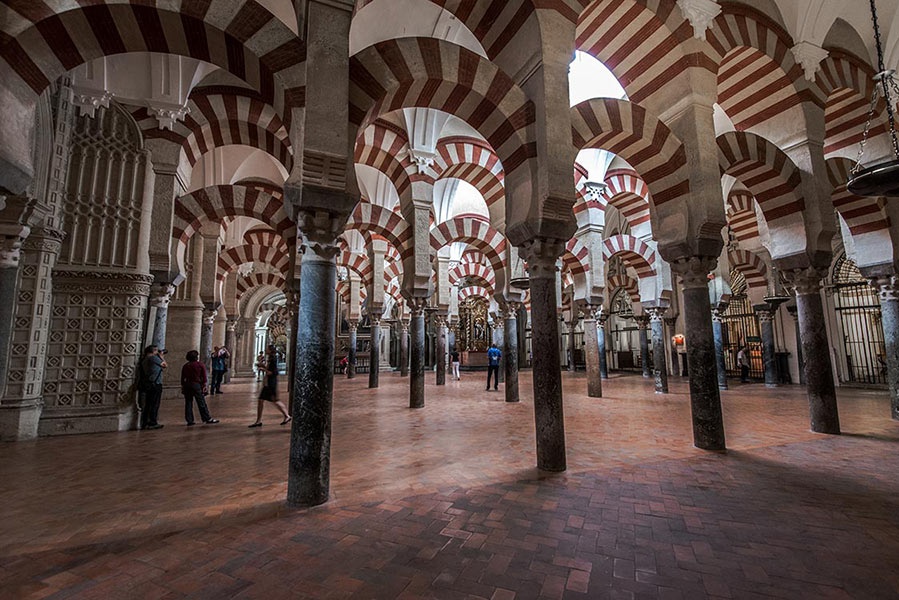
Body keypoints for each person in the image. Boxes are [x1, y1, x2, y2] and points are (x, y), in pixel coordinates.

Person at [248, 344, 291, 428]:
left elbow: (273, 372)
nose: (265, 350)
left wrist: (263, 369)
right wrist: (263, 366)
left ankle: (287, 415)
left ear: (270, 350)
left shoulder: (273, 359)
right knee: (262, 400)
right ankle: (258, 420)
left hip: (271, 383)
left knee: (275, 400)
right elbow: (270, 369)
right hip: (268, 383)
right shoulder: (271, 359)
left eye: (267, 349)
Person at [180, 350, 219, 426]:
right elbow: (204, 376)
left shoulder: (186, 365)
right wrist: (204, 385)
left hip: (187, 385)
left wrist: (183, 386)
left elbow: (183, 377)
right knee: (201, 402)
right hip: (196, 385)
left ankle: (189, 420)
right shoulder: (199, 365)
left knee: (188, 403)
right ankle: (207, 418)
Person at [139, 345, 166, 430]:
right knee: (154, 404)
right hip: (155, 384)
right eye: (156, 350)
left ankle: (145, 422)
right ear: (153, 351)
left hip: (149, 383)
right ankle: (152, 422)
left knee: (148, 404)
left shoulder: (145, 359)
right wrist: (161, 357)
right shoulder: (153, 358)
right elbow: (165, 365)